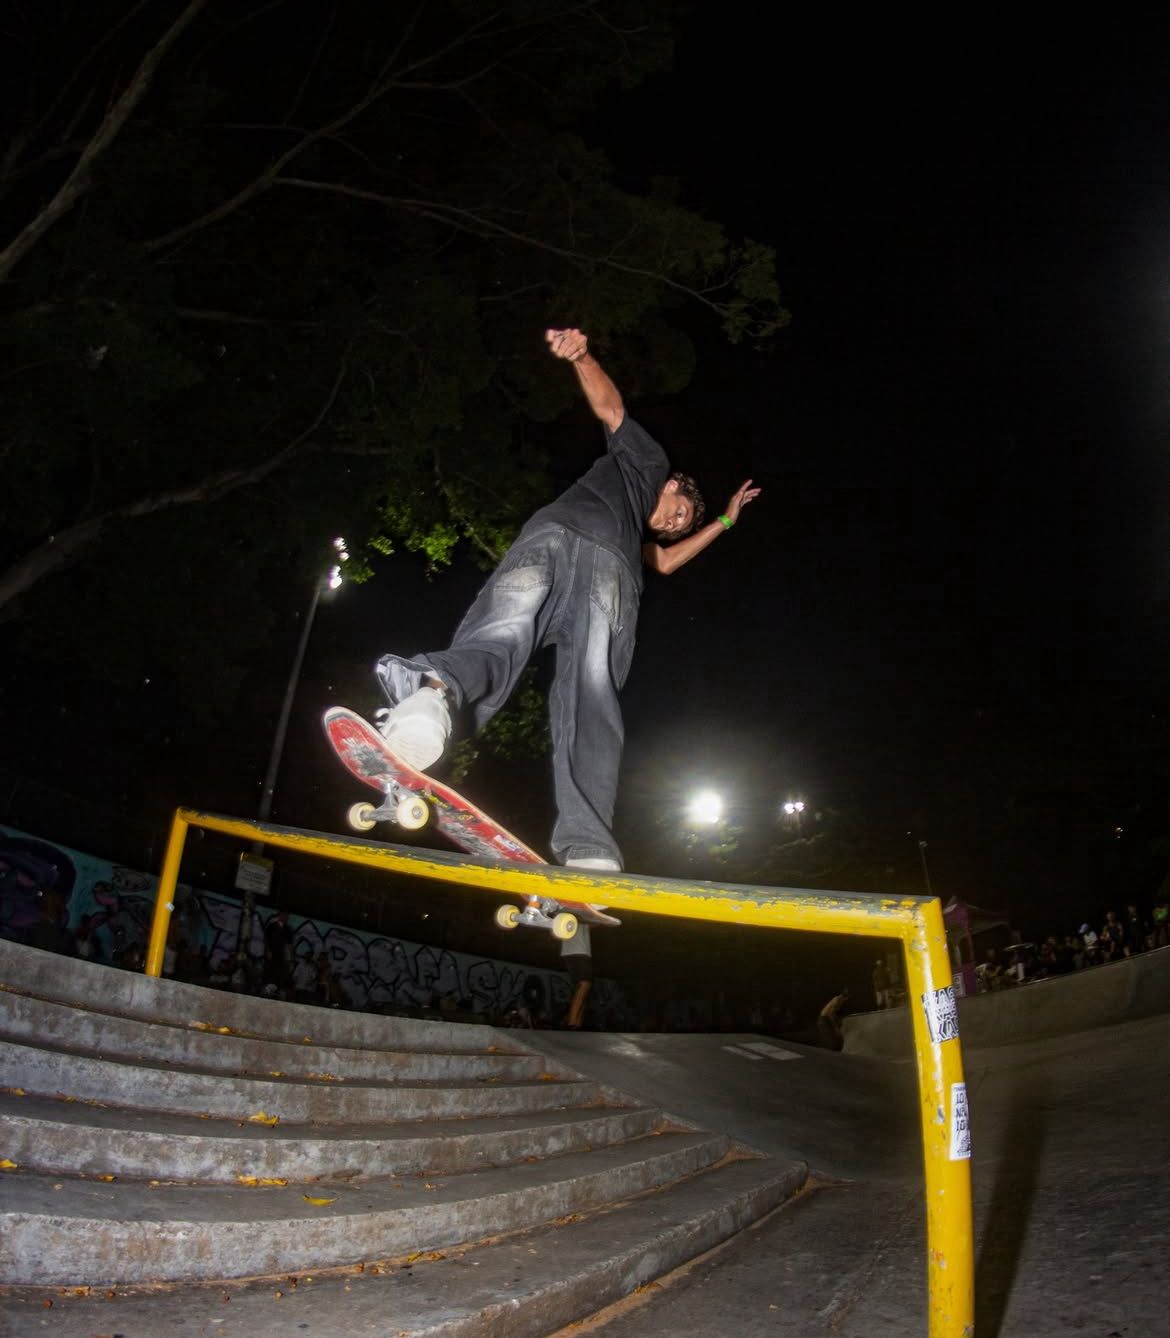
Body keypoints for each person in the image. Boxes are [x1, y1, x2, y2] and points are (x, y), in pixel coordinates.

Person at [372, 328, 760, 873]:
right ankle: (586, 840)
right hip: (582, 551)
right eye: (677, 512)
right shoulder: (647, 464)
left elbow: (667, 562)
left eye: (678, 526)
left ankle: (430, 700)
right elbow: (612, 409)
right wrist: (582, 357)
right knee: (583, 685)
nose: (673, 524)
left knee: (525, 647)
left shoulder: (638, 539)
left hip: (576, 549)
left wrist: (722, 520)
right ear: (670, 483)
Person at [560, 921, 593, 1028]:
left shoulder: (585, 912)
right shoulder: (577, 909)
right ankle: (572, 1021)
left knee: (582, 988)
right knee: (585, 984)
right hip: (577, 951)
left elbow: (592, 923)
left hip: (574, 951)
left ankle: (577, 1022)